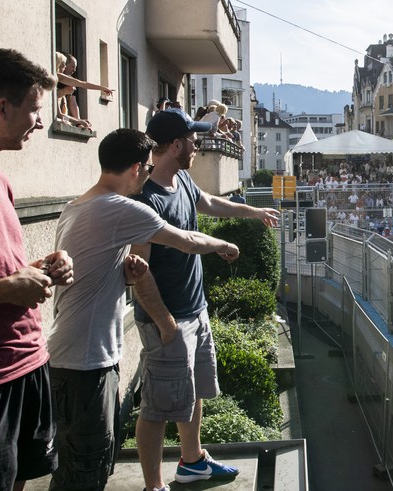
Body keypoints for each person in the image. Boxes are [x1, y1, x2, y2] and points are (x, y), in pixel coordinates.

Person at [47, 128, 240, 490]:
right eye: (147, 169)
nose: (149, 176)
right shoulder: (120, 208)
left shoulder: (76, 206)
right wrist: (225, 244)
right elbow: (187, 240)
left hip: (69, 354)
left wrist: (129, 274)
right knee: (86, 469)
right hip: (86, 360)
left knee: (77, 463)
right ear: (136, 168)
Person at [130, 109, 279, 491]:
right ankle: (153, 486)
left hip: (195, 312)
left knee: (193, 391)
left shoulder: (181, 180)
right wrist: (164, 322)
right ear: (177, 145)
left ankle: (193, 461)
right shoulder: (146, 201)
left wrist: (254, 212)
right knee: (156, 408)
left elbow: (212, 203)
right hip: (170, 321)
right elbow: (138, 273)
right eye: (194, 140)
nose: (199, 145)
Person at [0, 48, 74, 491]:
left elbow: (9, 269)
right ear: (3, 106)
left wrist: (41, 266)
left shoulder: (3, 182)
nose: (41, 122)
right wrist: (9, 288)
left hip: (28, 363)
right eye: (35, 109)